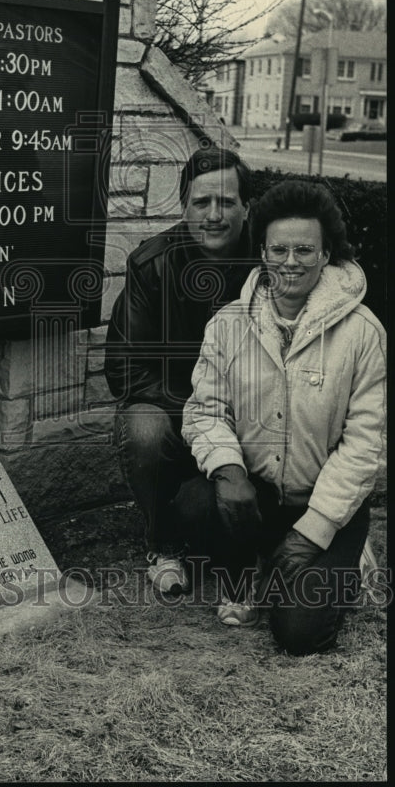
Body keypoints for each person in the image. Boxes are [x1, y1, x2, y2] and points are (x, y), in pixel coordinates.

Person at [180, 180, 386, 654]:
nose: (289, 262)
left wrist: (313, 531)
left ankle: (345, 561)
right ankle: (253, 565)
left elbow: (365, 446)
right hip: (257, 496)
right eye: (278, 249)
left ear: (326, 253)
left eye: (303, 250)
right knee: (193, 502)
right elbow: (205, 409)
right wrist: (230, 471)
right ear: (262, 252)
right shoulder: (229, 323)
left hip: (327, 505)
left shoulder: (363, 334)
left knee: (299, 636)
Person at [104, 145, 254, 593]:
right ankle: (162, 545)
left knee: (203, 511)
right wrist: (199, 415)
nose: (213, 214)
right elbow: (125, 372)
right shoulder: (152, 264)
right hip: (174, 411)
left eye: (226, 202)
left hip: (251, 418)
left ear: (248, 207)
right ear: (183, 205)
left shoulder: (272, 260)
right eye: (200, 202)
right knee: (141, 426)